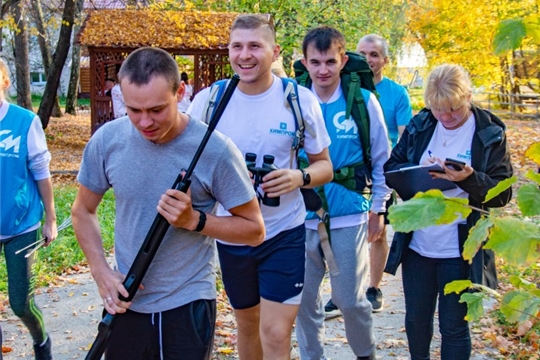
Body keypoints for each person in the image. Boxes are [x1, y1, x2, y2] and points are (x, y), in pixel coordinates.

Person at [71, 47, 265, 359]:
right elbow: (82, 210)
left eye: (157, 109)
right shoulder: (108, 140)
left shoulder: (216, 151)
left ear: (180, 92)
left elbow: (254, 230)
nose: (144, 121)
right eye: (134, 109)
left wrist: (195, 220)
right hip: (127, 301)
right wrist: (101, 271)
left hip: (187, 303)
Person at [188, 14, 333, 360]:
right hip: (233, 233)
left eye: (255, 45)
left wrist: (299, 177)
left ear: (275, 51)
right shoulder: (210, 101)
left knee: (276, 331)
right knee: (248, 324)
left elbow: (325, 165)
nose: (245, 55)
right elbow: (183, 158)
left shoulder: (298, 100)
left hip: (283, 232)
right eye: (237, 46)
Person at [384, 64, 513, 359]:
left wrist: (466, 178)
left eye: (453, 108)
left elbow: (502, 194)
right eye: (439, 109)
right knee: (417, 322)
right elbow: (392, 168)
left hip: (461, 248)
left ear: (468, 96)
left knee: (454, 327)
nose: (446, 116)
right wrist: (419, 176)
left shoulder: (489, 132)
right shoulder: (422, 124)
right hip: (418, 244)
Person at [294, 26, 391, 360]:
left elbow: (381, 159)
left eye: (330, 62)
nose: (323, 70)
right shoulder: (292, 100)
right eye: (315, 62)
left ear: (343, 60)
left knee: (350, 300)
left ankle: (365, 354)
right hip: (299, 214)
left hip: (349, 213)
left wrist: (378, 207)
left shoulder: (364, 102)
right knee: (304, 301)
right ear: (304, 62)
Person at [0, 57, 57, 360]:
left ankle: (41, 342)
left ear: (5, 82)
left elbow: (41, 172)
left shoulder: (24, 121)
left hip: (22, 225)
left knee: (20, 303)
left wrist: (50, 218)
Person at [353, 33, 413, 312]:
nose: (368, 59)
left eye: (374, 54)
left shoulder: (396, 93)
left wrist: (395, 174)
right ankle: (345, 289)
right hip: (350, 171)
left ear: (385, 60)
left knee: (377, 231)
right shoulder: (345, 88)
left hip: (382, 172)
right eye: (363, 53)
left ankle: (373, 288)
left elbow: (405, 138)